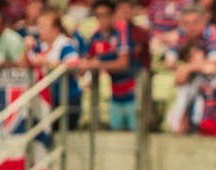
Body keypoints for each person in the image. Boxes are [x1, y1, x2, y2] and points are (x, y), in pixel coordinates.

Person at [164, 4, 216, 136]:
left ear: (204, 20)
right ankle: (178, 125)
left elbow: (213, 65)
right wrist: (186, 69)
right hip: (196, 80)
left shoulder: (214, 35)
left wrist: (188, 67)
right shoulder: (182, 35)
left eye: (195, 22)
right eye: (186, 23)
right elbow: (169, 62)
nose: (191, 27)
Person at [81, 0, 136, 131]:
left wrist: (98, 65)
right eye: (98, 16)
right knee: (116, 136)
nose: (102, 20)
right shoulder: (96, 36)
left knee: (135, 137)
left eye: (106, 15)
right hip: (115, 94)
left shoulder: (122, 31)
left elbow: (124, 62)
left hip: (133, 92)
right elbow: (88, 60)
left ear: (113, 15)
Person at [25, 7, 82, 129]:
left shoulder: (65, 44)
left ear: (55, 28)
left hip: (67, 99)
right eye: (39, 26)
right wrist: (25, 49)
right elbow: (28, 62)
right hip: (48, 99)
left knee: (65, 134)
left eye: (43, 26)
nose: (40, 30)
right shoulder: (41, 46)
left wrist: (47, 63)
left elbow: (74, 64)